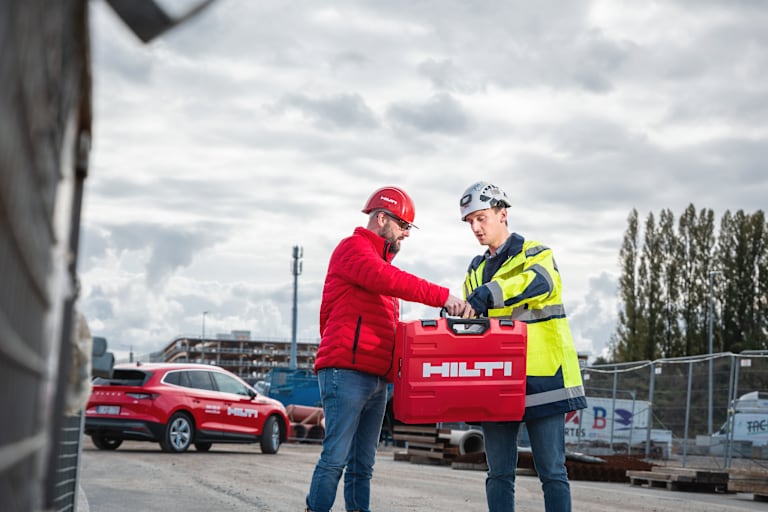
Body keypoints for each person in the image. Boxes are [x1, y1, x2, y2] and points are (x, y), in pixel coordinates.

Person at [305, 185, 469, 512]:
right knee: (336, 458)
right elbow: (391, 280)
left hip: (376, 378)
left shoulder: (377, 263)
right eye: (403, 225)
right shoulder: (353, 250)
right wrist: (443, 296)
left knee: (362, 465)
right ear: (382, 218)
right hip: (347, 374)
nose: (407, 233)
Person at [458, 181, 587, 512]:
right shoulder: (474, 270)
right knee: (498, 473)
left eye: (481, 218)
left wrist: (491, 292)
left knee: (552, 472)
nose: (475, 227)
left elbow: (540, 283)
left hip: (544, 377)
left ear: (503, 214)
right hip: (498, 380)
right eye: (469, 221)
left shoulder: (536, 253)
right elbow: (475, 326)